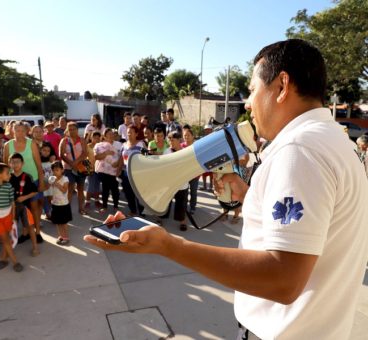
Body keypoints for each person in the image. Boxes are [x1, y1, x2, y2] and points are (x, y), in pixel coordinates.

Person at [85, 39, 368, 339]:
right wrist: (250, 195)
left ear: (282, 85)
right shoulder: (336, 143)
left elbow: (282, 279)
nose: (247, 103)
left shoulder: (299, 150)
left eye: (251, 90)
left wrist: (168, 246)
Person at [4, 122, 45, 243]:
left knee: (34, 208)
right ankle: (25, 232)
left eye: (22, 130)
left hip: (32, 180)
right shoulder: (8, 145)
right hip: (14, 182)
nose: (20, 133)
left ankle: (37, 232)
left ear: (26, 131)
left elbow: (38, 164)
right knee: (20, 208)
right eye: (17, 130)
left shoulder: (31, 143)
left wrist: (41, 182)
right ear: (12, 131)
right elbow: (5, 166)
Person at [8, 153, 39, 257]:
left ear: (22, 163)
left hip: (25, 206)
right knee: (11, 226)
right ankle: (10, 248)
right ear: (9, 164)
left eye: (17, 162)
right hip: (11, 207)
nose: (15, 164)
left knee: (30, 226)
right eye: (12, 162)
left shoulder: (27, 177)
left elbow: (35, 191)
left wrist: (24, 198)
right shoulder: (7, 177)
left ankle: (35, 247)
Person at [59, 122, 88, 215]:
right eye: (70, 129)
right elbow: (61, 154)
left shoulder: (82, 140)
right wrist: (71, 163)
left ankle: (81, 208)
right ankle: (67, 210)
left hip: (81, 167)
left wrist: (76, 162)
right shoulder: (64, 141)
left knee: (81, 188)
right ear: (67, 130)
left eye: (73, 129)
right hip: (68, 168)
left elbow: (85, 153)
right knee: (69, 189)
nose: (71, 131)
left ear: (77, 129)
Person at [163, 131, 188, 231]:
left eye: (173, 140)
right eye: (169, 140)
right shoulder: (166, 151)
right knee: (165, 202)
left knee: (181, 204)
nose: (171, 142)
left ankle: (182, 221)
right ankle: (161, 219)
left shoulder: (185, 152)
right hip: (169, 183)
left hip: (182, 184)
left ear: (179, 140)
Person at [118, 125, 145, 216]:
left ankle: (141, 212)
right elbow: (121, 159)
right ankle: (132, 210)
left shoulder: (141, 144)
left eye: (131, 132)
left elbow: (146, 159)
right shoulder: (124, 145)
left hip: (138, 175)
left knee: (139, 195)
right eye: (128, 132)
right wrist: (118, 170)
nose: (128, 134)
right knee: (128, 193)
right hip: (126, 174)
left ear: (136, 134)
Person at [94, 129, 120, 213]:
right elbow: (96, 157)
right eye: (109, 134)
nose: (111, 135)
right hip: (103, 171)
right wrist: (106, 153)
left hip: (115, 171)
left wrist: (118, 165)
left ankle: (116, 206)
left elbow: (122, 156)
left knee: (115, 189)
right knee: (105, 189)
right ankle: (104, 206)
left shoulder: (119, 144)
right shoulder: (99, 145)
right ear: (104, 136)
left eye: (112, 134)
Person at [49, 160, 72, 245]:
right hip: (55, 203)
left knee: (64, 222)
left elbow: (64, 190)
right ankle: (61, 236)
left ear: (62, 170)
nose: (55, 172)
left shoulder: (65, 179)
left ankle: (66, 237)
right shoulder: (53, 179)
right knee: (57, 222)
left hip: (63, 204)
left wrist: (56, 183)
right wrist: (51, 183)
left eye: (57, 170)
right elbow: (50, 188)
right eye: (54, 170)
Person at [181, 127, 199, 214]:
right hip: (184, 173)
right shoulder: (181, 146)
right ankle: (184, 206)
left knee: (193, 191)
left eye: (188, 135)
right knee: (184, 191)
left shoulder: (197, 146)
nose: (186, 137)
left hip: (194, 173)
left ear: (193, 136)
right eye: (184, 136)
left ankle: (192, 207)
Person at [84, 131, 102, 210]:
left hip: (99, 169)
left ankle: (97, 200)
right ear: (91, 138)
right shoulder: (88, 146)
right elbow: (85, 159)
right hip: (90, 169)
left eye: (98, 138)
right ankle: (87, 201)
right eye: (95, 138)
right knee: (90, 186)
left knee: (97, 186)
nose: (97, 139)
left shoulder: (101, 146)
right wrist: (88, 170)